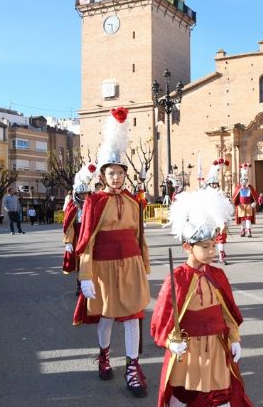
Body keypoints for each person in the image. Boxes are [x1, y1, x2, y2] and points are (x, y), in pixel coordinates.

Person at [73, 108, 151, 398]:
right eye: (111, 172)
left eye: (119, 172)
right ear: (103, 175)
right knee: (106, 317)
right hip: (103, 267)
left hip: (130, 265)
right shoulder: (94, 202)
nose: (116, 177)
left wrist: (143, 263)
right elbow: (87, 239)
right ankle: (104, 355)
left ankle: (133, 368)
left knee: (132, 316)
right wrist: (85, 274)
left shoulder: (133, 201)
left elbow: (139, 235)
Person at [151, 189, 252, 407]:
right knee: (185, 394)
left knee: (221, 393)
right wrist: (170, 342)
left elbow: (227, 313)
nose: (212, 251)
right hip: (190, 351)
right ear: (188, 247)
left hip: (216, 347)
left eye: (214, 245)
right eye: (205, 247)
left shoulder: (217, 275)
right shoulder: (177, 279)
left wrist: (234, 338)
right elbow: (162, 319)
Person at [63, 163, 97, 295]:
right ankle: (80, 285)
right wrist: (68, 242)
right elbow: (68, 226)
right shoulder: (73, 207)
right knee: (80, 263)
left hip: (92, 237)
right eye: (81, 194)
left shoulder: (93, 205)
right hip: (78, 237)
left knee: (94, 261)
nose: (84, 197)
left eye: (86, 194)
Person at [204, 158, 232, 265]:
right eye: (213, 184)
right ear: (209, 185)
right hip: (209, 220)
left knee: (221, 238)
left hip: (220, 220)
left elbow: (226, 206)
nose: (214, 186)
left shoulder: (220, 194)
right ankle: (209, 256)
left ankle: (221, 255)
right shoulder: (205, 195)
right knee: (209, 240)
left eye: (216, 184)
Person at [231, 163, 259, 237]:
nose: (244, 182)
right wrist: (234, 204)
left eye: (245, 180)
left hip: (249, 205)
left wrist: (255, 202)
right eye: (243, 180)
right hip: (241, 206)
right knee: (242, 219)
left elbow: (255, 196)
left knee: (248, 219)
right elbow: (234, 197)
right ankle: (243, 231)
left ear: (247, 180)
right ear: (240, 180)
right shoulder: (238, 188)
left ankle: (249, 231)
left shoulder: (250, 187)